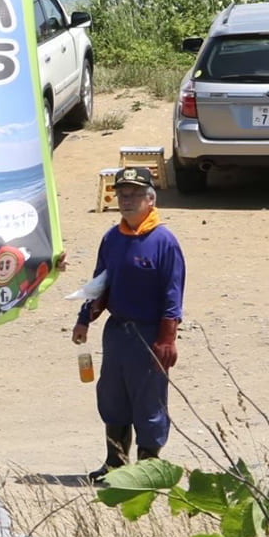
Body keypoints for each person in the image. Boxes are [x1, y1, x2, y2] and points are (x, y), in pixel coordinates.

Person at [73, 166, 185, 480]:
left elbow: (173, 293)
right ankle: (115, 464)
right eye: (122, 194)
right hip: (117, 331)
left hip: (149, 334)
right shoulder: (112, 238)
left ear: (151, 199)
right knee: (112, 396)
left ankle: (149, 469)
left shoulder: (164, 242)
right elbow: (99, 283)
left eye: (135, 194)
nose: (127, 200)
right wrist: (84, 320)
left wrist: (167, 338)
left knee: (148, 400)